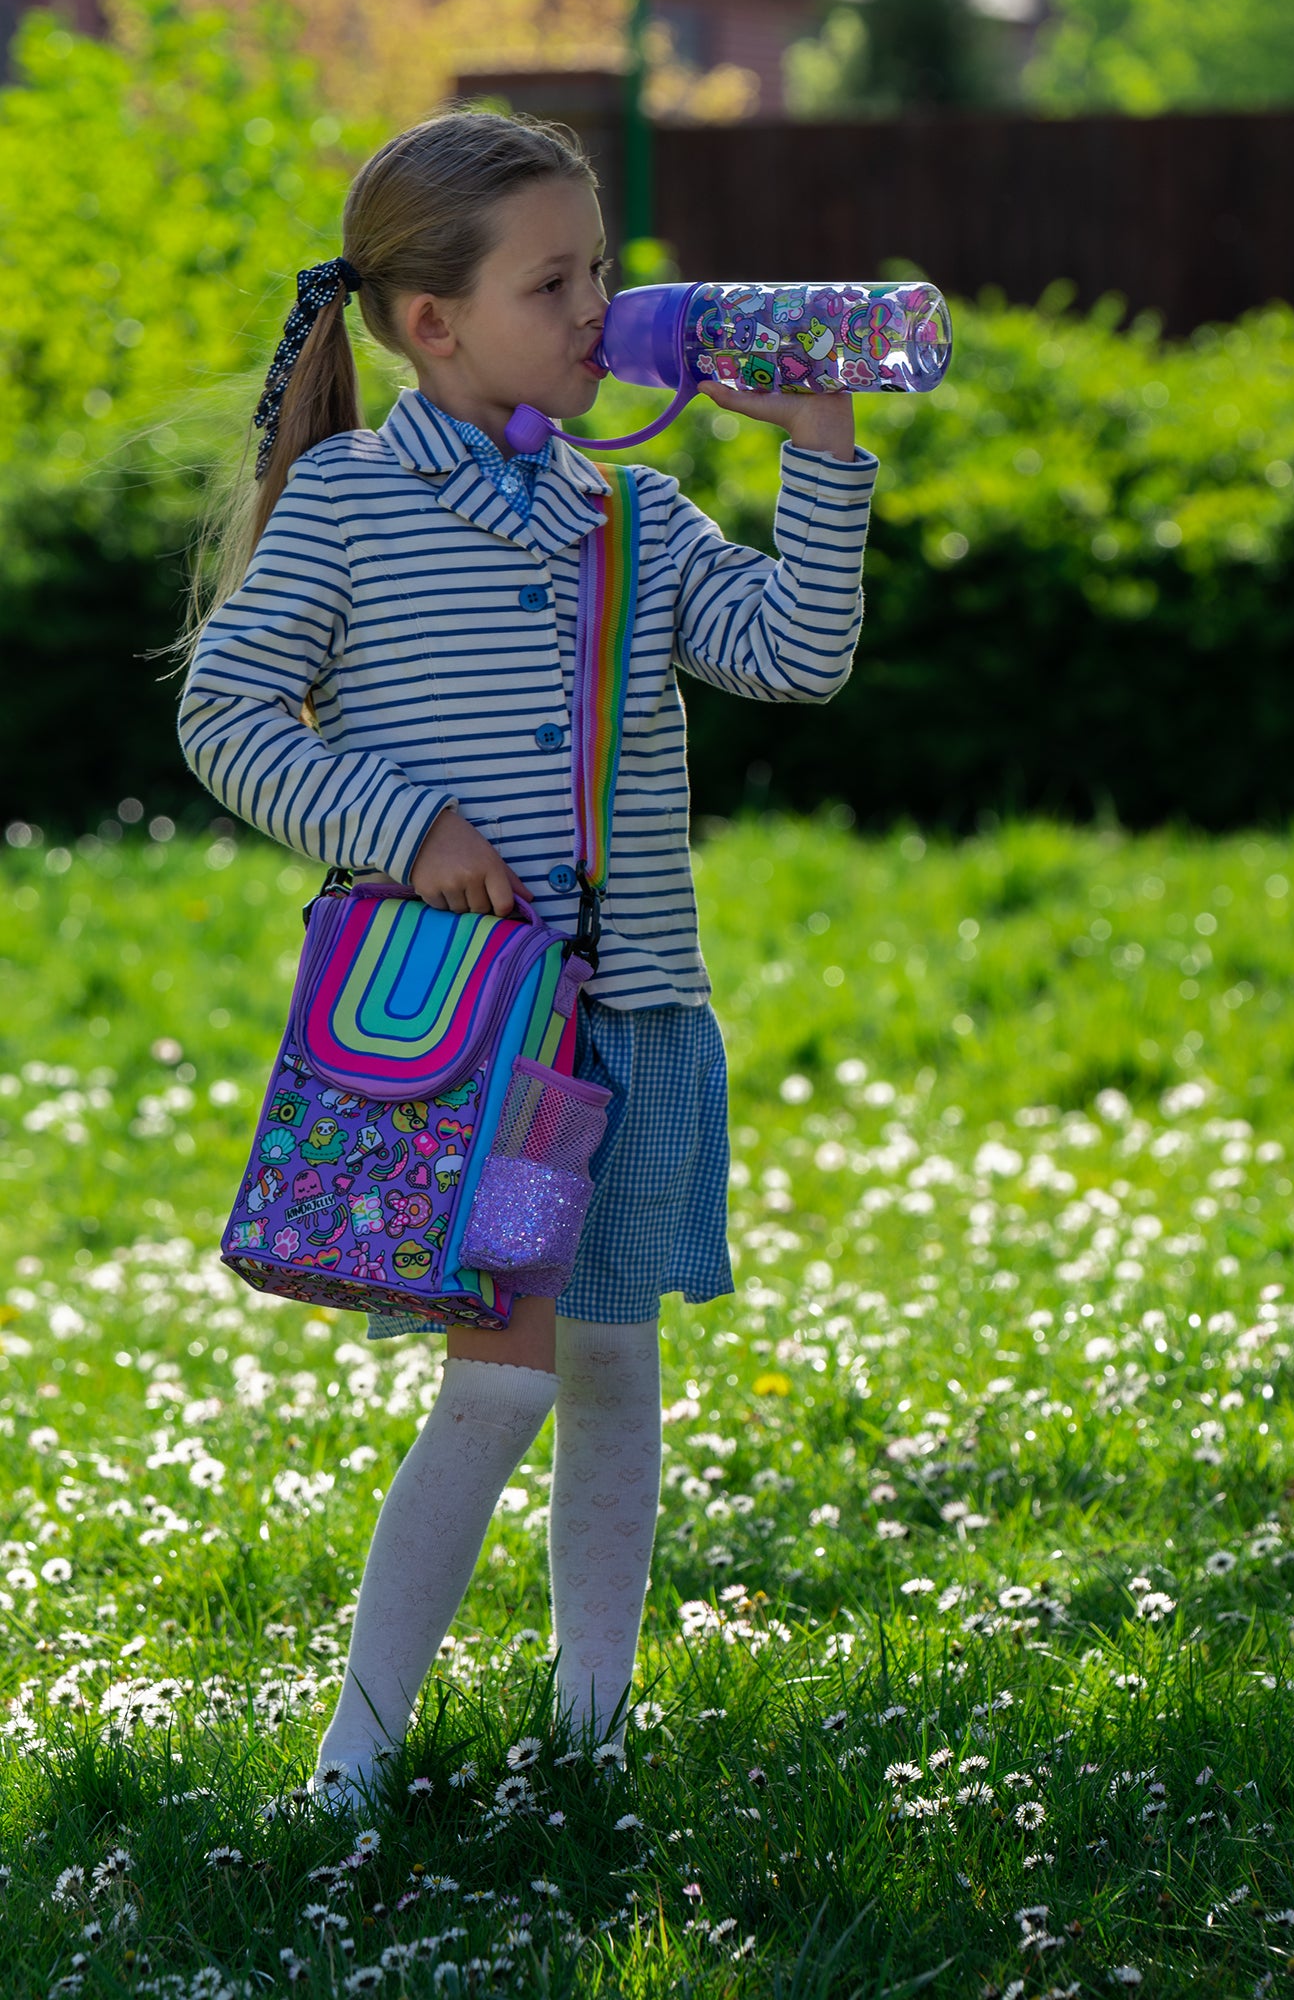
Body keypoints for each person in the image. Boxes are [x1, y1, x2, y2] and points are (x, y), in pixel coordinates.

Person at [178, 106, 878, 1804]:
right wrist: (402, 829)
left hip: (630, 1026)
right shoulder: (349, 500)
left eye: (600, 272)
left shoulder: (628, 516)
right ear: (432, 324)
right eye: (552, 280)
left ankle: (587, 1727)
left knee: (613, 1366)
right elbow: (226, 710)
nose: (594, 309)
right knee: (498, 1385)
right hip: (481, 1048)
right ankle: (356, 1760)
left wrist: (824, 451)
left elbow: (797, 656)